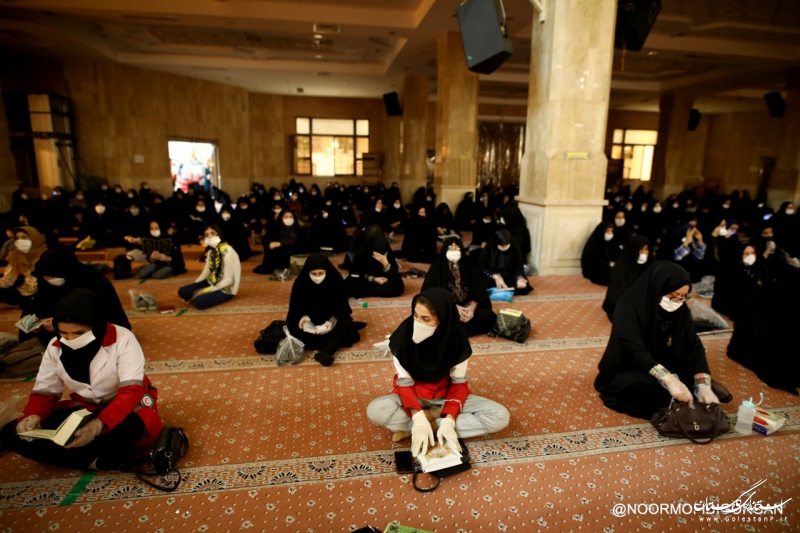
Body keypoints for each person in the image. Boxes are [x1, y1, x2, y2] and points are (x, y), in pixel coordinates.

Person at [0, 289, 162, 470]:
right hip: (86, 408)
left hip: (128, 407)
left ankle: (84, 457)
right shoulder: (55, 346)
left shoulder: (123, 339)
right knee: (10, 432)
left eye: (79, 333)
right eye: (64, 333)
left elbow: (130, 392)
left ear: (96, 324)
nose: (70, 339)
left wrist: (98, 425)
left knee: (129, 430)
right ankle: (95, 460)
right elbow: (45, 392)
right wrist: (33, 415)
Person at [366, 289, 509, 455]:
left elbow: (459, 384)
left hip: (446, 396)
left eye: (425, 319)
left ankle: (422, 427)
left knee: (500, 416)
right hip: (414, 396)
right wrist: (419, 419)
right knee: (376, 410)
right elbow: (404, 384)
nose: (417, 322)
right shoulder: (402, 338)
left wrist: (449, 420)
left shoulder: (456, 340)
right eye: (415, 315)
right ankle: (424, 427)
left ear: (441, 319)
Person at [594, 261, 721, 420]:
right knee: (651, 385)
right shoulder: (629, 306)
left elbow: (694, 346)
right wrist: (668, 379)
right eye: (673, 296)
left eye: (683, 297)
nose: (678, 302)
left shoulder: (681, 309)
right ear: (659, 288)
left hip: (663, 362)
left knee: (690, 379)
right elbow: (635, 350)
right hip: (629, 366)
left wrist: (703, 385)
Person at [31, 247, 130, 346]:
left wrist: (60, 323)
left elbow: (105, 315)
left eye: (53, 276)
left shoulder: (93, 281)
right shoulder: (44, 280)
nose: (48, 279)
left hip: (92, 330)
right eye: (45, 276)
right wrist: (37, 321)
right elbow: (42, 304)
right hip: (57, 332)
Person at [285, 253, 362, 367]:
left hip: (329, 323)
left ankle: (325, 352)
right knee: (292, 328)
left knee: (344, 326)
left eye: (320, 273)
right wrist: (303, 318)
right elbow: (295, 308)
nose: (317, 277)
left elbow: (342, 308)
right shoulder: (301, 282)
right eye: (313, 274)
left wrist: (332, 321)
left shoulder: (335, 280)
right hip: (308, 323)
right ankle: (326, 346)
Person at [422, 237, 496, 336]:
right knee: (438, 320)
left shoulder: (467, 266)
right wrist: (454, 308)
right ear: (445, 250)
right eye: (450, 248)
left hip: (466, 306)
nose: (453, 251)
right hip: (447, 308)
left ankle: (456, 330)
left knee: (489, 316)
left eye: (456, 248)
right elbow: (429, 296)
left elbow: (478, 292)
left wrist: (471, 309)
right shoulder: (437, 268)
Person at [178, 225, 241, 310]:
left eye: (212, 233)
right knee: (183, 291)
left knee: (198, 302)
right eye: (207, 235)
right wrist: (195, 286)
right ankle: (202, 294)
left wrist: (204, 291)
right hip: (213, 282)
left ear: (218, 234)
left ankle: (203, 296)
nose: (210, 236)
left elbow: (228, 280)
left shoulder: (228, 252)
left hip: (227, 289)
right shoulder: (211, 251)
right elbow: (205, 272)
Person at [344, 225, 404, 298]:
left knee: (398, 285)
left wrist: (385, 263)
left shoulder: (386, 249)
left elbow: (394, 275)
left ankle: (369, 291)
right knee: (353, 284)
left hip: (383, 279)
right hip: (367, 280)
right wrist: (374, 279)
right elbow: (356, 273)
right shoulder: (362, 251)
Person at [602, 235, 651, 321]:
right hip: (624, 304)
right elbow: (617, 294)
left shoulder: (649, 265)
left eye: (646, 249)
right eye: (640, 249)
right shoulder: (621, 267)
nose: (643, 252)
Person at [0, 226, 47, 307]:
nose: (20, 241)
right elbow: (8, 280)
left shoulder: (46, 256)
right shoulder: (16, 256)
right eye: (17, 238)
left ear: (33, 238)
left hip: (42, 295)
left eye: (24, 237)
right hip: (23, 295)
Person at [477, 229, 533, 295]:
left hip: (509, 275)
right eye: (502, 245)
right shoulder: (489, 249)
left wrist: (519, 277)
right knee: (480, 284)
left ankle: (500, 289)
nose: (505, 247)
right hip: (491, 275)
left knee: (524, 286)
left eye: (506, 245)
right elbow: (481, 267)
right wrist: (495, 276)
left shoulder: (515, 248)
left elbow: (517, 266)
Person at [254, 208, 300, 279]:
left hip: (293, 254)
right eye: (286, 217)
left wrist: (279, 243)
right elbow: (267, 239)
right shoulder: (276, 227)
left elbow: (295, 240)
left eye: (291, 217)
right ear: (281, 218)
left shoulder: (297, 228)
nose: (289, 219)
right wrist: (272, 244)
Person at [581, 221, 617, 286]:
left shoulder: (612, 242)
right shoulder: (594, 244)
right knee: (609, 271)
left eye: (611, 231)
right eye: (607, 231)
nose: (609, 233)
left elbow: (617, 254)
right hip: (595, 268)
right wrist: (608, 264)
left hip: (610, 266)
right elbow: (591, 261)